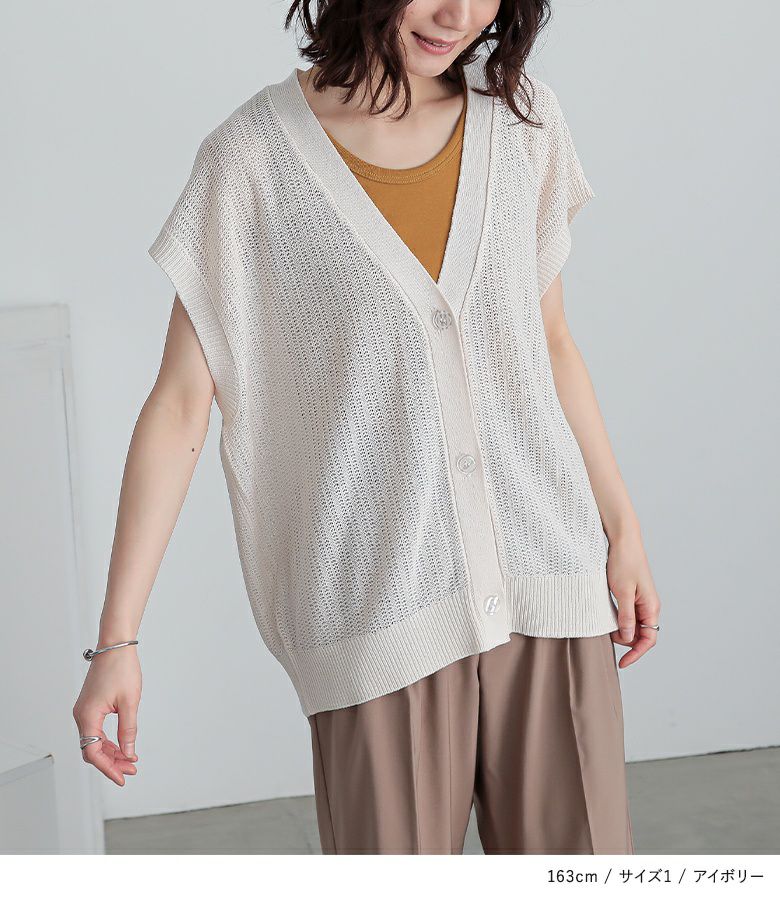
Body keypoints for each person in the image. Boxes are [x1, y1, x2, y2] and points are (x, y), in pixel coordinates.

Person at [73, 0, 661, 855]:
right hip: (377, 609)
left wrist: (622, 530)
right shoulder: (254, 159)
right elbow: (179, 405)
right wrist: (116, 641)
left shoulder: (522, 121)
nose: (458, 14)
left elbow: (553, 343)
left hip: (550, 580)